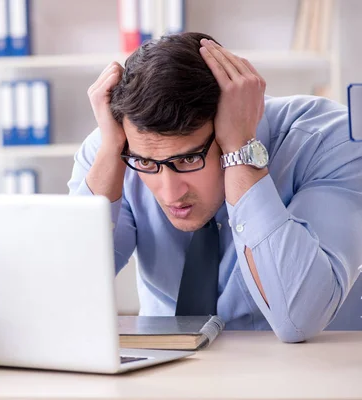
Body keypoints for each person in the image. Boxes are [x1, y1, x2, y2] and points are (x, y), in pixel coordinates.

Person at [67, 32, 362, 343]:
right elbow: (66, 292)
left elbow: (299, 320)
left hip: (309, 377)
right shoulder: (116, 150)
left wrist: (240, 150)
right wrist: (113, 151)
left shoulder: (331, 141)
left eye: (188, 159)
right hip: (166, 374)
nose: (170, 194)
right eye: (147, 164)